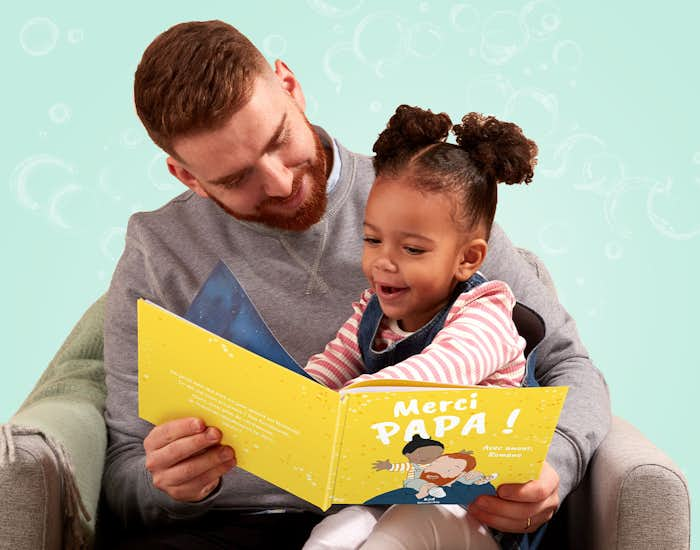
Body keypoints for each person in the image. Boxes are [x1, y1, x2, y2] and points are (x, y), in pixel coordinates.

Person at [102, 19, 610, 550]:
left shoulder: (426, 199)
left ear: (290, 86)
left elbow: (567, 362)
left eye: (279, 140)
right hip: (234, 524)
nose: (280, 183)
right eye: (235, 179)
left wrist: (555, 462)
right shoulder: (159, 251)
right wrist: (174, 486)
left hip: (422, 507)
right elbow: (122, 470)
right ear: (188, 178)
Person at [302, 105, 536, 549]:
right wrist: (290, 408)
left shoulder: (485, 315)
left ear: (467, 258)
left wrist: (350, 403)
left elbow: (436, 374)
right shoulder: (372, 312)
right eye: (372, 240)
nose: (383, 261)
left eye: (411, 248)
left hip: (471, 510)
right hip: (392, 488)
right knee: (330, 536)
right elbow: (325, 371)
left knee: (396, 538)